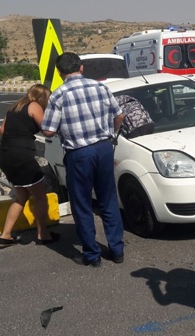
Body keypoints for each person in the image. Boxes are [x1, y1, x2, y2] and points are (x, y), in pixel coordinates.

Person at [41, 52, 125, 267]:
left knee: (82, 204)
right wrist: (112, 135)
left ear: (60, 73)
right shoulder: (101, 88)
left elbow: (48, 131)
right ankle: (117, 250)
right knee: (108, 200)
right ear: (81, 68)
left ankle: (92, 255)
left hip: (78, 154)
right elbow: (120, 115)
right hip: (104, 149)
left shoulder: (58, 95)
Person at [0, 84, 59, 249]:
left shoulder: (14, 107)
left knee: (22, 197)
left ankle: (6, 236)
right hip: (22, 157)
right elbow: (46, 130)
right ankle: (43, 234)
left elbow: (2, 130)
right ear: (42, 97)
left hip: (5, 155)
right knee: (40, 196)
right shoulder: (34, 106)